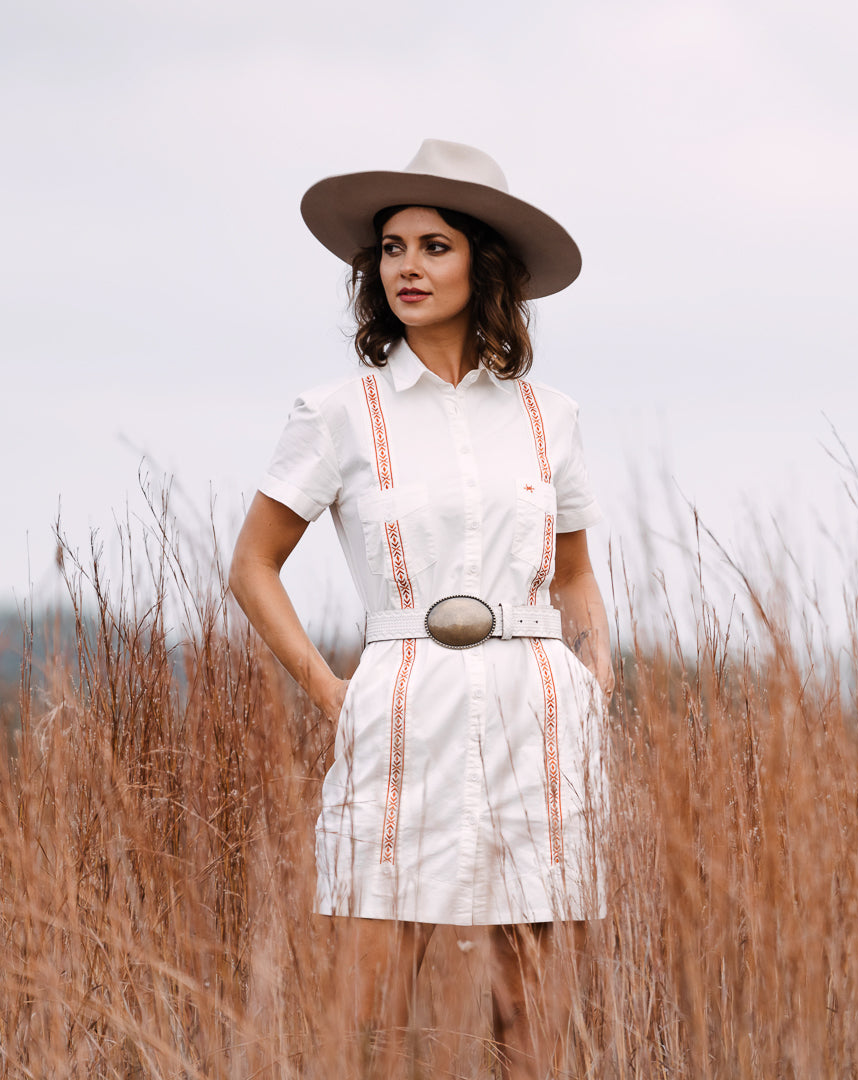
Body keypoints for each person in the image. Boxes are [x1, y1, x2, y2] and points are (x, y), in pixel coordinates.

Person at [229, 140, 613, 1078]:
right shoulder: (338, 412)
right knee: (369, 1011)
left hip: (539, 710)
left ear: (485, 263)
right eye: (392, 248)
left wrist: (594, 683)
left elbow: (574, 578)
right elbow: (252, 566)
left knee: (529, 1015)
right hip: (401, 703)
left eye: (434, 245)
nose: (407, 265)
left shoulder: (549, 416)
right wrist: (332, 692)